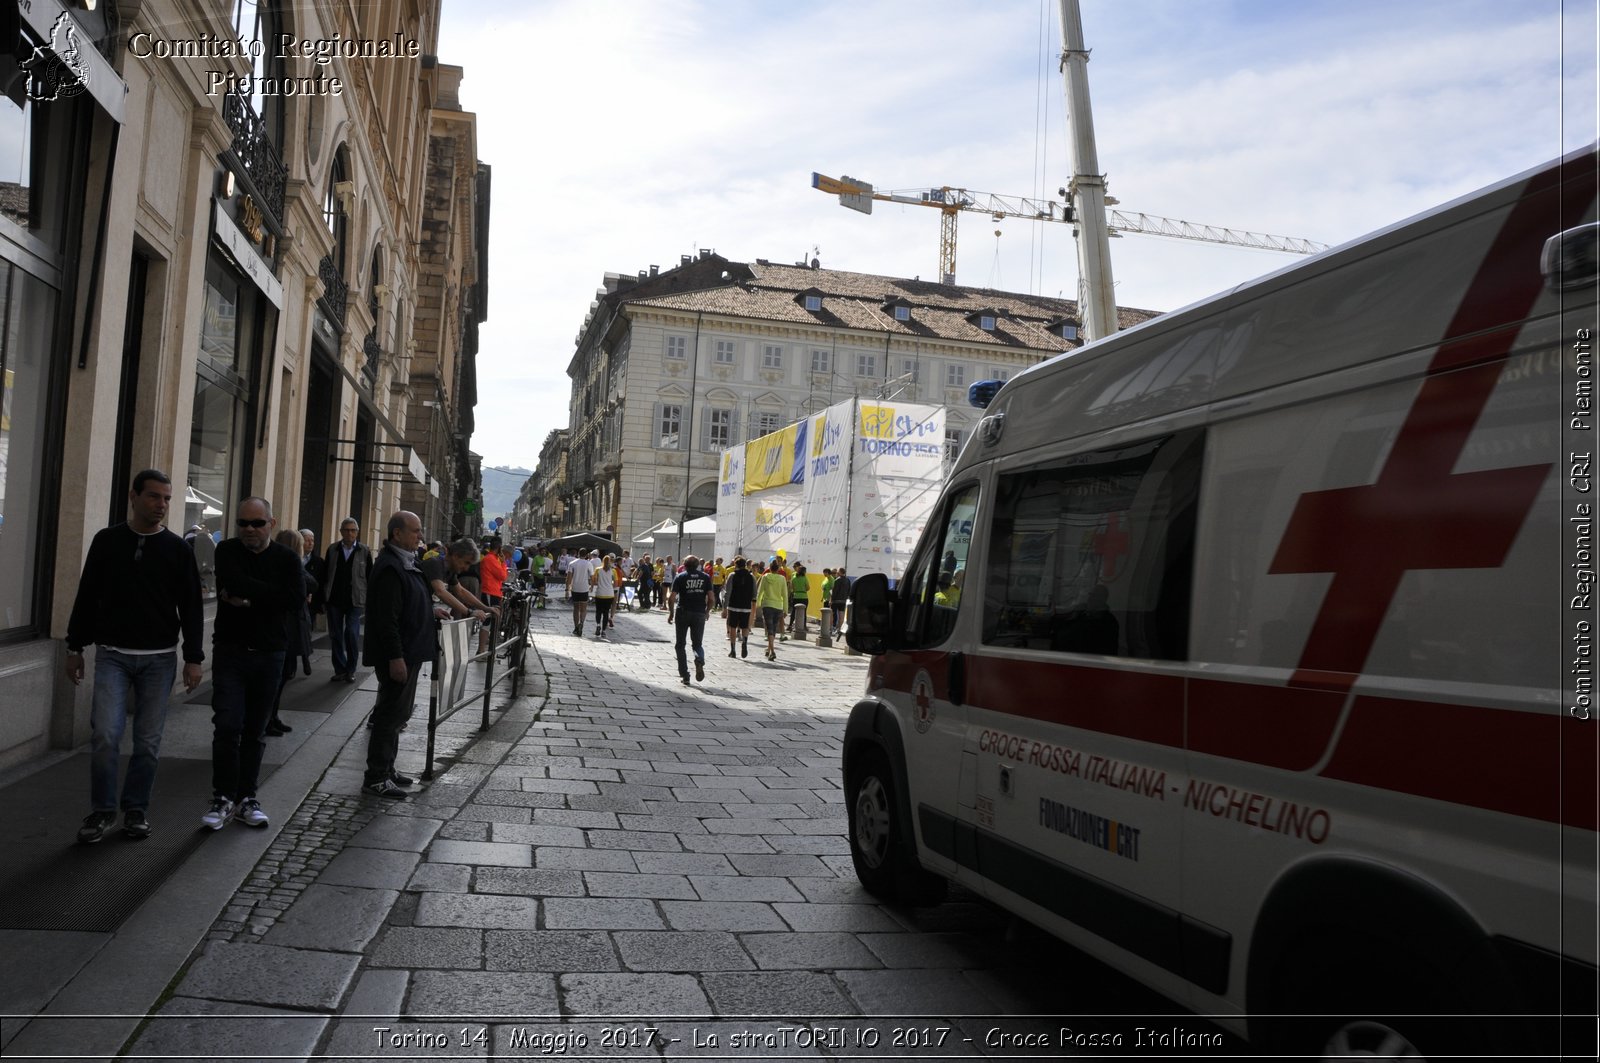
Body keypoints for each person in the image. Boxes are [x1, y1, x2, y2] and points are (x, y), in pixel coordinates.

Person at [66, 469, 205, 843]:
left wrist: (193, 657)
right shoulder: (107, 541)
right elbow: (87, 594)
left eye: (167, 499)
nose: (161, 505)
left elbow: (191, 606)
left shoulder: (177, 549)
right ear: (134, 496)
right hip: (112, 654)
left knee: (147, 740)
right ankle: (102, 810)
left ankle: (136, 809)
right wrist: (74, 646)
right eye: (154, 497)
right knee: (106, 735)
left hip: (159, 659)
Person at [204, 496, 303, 831]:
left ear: (271, 524)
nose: (249, 529)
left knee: (255, 731)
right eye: (243, 523)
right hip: (231, 651)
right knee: (228, 724)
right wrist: (264, 596)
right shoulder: (226, 551)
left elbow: (292, 600)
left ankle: (247, 797)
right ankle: (223, 797)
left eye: (257, 523)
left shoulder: (287, 557)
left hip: (269, 653)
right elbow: (235, 584)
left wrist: (246, 599)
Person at [362, 510, 447, 798]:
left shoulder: (405, 562)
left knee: (399, 714)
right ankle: (376, 776)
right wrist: (395, 657)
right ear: (397, 534)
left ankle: (387, 768)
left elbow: (407, 602)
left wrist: (429, 609)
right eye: (415, 531)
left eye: (420, 530)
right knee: (389, 715)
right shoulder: (390, 566)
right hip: (399, 655)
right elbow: (387, 618)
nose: (420, 536)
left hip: (410, 652)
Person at [266, 528, 316, 737]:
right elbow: (311, 583)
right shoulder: (288, 565)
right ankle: (267, 719)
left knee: (284, 675)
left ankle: (272, 716)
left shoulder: (290, 565)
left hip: (293, 626)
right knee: (277, 678)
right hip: (286, 627)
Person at [321, 517, 373, 683]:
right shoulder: (333, 549)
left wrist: (369, 599)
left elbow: (369, 576)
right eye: (347, 530)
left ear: (357, 532)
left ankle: (351, 669)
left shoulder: (364, 551)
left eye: (353, 530)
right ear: (341, 532)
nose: (350, 533)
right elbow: (326, 574)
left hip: (355, 600)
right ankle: (340, 669)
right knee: (335, 635)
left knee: (351, 632)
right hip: (334, 599)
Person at [421, 539, 499, 626]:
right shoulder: (435, 563)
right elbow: (441, 592)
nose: (466, 568)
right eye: (466, 563)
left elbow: (461, 591)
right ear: (456, 556)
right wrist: (469, 612)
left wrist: (485, 608)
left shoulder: (449, 569)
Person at [668, 555, 714, 685]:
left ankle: (685, 675)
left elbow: (671, 598)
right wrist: (707, 611)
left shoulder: (680, 577)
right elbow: (711, 598)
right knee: (697, 644)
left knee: (680, 644)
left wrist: (671, 613)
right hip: (699, 613)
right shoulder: (705, 577)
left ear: (685, 565)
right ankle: (699, 658)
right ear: (698, 565)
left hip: (683, 612)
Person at [755, 560, 790, 662]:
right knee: (773, 629)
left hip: (767, 605)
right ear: (778, 569)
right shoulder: (782, 578)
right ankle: (769, 649)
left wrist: (758, 604)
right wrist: (786, 609)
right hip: (778, 606)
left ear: (769, 568)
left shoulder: (765, 577)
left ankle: (772, 651)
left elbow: (760, 591)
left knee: (769, 628)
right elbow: (785, 594)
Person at [723, 556, 756, 659]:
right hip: (746, 606)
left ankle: (733, 650)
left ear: (736, 565)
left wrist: (724, 607)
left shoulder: (732, 575)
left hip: (733, 605)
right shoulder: (751, 577)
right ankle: (744, 642)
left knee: (732, 627)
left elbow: (728, 592)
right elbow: (755, 593)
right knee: (745, 626)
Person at [301, 528, 325, 637]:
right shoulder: (294, 558)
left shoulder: (318, 562)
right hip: (296, 602)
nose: (311, 543)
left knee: (307, 631)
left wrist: (320, 604)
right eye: (307, 540)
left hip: (311, 604)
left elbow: (321, 583)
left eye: (313, 540)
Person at [566, 547, 595, 635]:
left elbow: (569, 577)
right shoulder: (589, 563)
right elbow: (592, 576)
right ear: (586, 555)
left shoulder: (572, 563)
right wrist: (592, 586)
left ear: (578, 554)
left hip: (575, 588)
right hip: (584, 588)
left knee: (576, 609)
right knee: (583, 608)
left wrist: (567, 589)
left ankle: (575, 627)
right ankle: (581, 623)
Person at [592, 552, 618, 638]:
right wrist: (610, 585)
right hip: (609, 594)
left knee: (598, 611)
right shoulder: (613, 571)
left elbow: (594, 581)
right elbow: (616, 584)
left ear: (602, 561)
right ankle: (603, 631)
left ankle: (598, 625)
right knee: (606, 612)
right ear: (610, 561)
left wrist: (599, 583)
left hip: (600, 593)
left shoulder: (598, 570)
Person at [191, 519, 216, 596]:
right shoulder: (209, 541)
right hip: (206, 564)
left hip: (195, 562)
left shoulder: (192, 539)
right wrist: (211, 564)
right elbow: (211, 553)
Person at [830, 566, 852, 639]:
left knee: (832, 614)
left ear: (840, 572)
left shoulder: (837, 580)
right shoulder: (848, 580)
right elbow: (849, 590)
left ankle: (832, 628)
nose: (837, 572)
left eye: (838, 571)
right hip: (843, 601)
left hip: (836, 600)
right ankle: (840, 630)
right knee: (841, 616)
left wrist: (831, 600)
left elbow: (834, 591)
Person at [789, 562, 810, 639]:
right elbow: (808, 588)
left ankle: (790, 625)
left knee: (793, 611)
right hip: (804, 596)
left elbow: (792, 587)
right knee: (804, 612)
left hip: (796, 596)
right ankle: (803, 625)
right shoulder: (805, 578)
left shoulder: (794, 578)